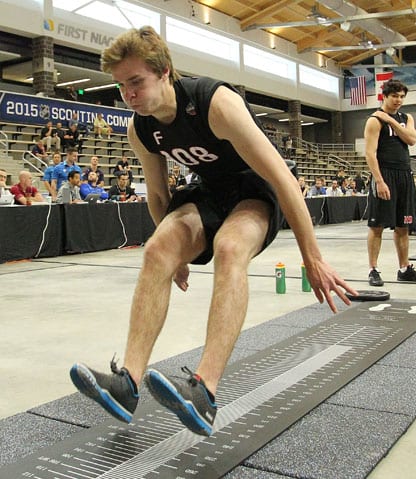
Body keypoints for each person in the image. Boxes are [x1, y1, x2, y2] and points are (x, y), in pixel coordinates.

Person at [69, 26, 356, 437]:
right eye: (121, 86)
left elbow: (284, 179)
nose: (129, 94)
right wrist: (174, 255)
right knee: (154, 251)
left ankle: (204, 391)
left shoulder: (215, 102)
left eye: (136, 82)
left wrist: (313, 258)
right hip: (207, 193)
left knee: (229, 247)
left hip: (257, 190)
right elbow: (156, 193)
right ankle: (127, 384)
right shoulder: (142, 127)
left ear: (165, 72)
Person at [364, 79, 416, 286]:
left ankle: (404, 268)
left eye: (402, 97)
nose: (399, 100)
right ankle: (373, 269)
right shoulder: (374, 120)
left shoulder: (405, 117)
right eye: (395, 96)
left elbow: (412, 139)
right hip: (385, 175)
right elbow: (370, 154)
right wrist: (380, 181)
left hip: (404, 176)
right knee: (378, 225)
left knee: (403, 226)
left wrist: (391, 121)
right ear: (385, 96)